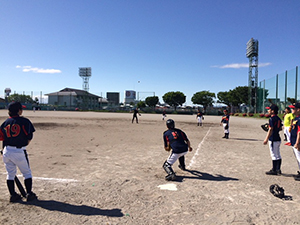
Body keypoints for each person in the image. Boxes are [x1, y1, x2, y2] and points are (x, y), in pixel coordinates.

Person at [0, 101, 37, 202]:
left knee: (10, 174)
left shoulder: (5, 123)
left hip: (6, 151)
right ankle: (29, 193)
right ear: (19, 111)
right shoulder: (24, 121)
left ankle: (13, 195)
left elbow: (2, 138)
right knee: (27, 173)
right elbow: (29, 136)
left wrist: (4, 151)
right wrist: (24, 144)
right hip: (19, 150)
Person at [263, 104, 283, 175]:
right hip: (278, 138)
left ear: (272, 111)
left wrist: (266, 139)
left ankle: (274, 169)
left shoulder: (271, 119)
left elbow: (271, 129)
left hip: (273, 139)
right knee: (278, 154)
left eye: (269, 109)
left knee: (274, 154)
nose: (268, 110)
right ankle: (278, 169)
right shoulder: (278, 118)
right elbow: (280, 128)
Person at [288, 103, 300, 181]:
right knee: (297, 158)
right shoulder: (296, 118)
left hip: (297, 142)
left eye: (293, 108)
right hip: (293, 140)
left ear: (298, 109)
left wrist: (297, 143)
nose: (292, 110)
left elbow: (299, 132)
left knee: (299, 158)